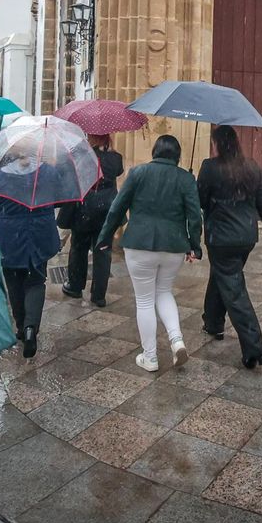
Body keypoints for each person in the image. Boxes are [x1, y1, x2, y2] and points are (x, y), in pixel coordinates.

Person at [96, 134, 203, 373]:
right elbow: (195, 216)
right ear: (177, 156)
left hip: (139, 243)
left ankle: (150, 356)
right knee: (164, 292)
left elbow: (117, 207)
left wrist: (104, 237)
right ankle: (176, 340)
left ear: (154, 151)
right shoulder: (186, 178)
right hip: (174, 246)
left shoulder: (138, 172)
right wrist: (195, 246)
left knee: (144, 300)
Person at [197, 125, 262, 368]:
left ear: (218, 144)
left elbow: (201, 201)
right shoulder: (251, 167)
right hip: (246, 236)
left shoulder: (209, 167)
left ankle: (254, 349)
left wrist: (198, 182)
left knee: (233, 290)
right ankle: (213, 324)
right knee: (222, 277)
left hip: (221, 238)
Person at [0, 161, 66, 359]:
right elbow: (61, 198)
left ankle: (21, 326)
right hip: (40, 232)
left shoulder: (1, 175)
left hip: (10, 235)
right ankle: (31, 328)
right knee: (36, 280)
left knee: (13, 281)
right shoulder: (48, 171)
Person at [59, 134, 125, 306]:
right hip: (107, 210)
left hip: (84, 207)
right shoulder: (115, 158)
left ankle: (75, 286)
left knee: (79, 247)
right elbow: (118, 171)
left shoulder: (81, 155)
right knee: (103, 251)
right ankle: (99, 295)